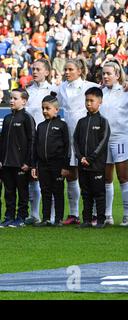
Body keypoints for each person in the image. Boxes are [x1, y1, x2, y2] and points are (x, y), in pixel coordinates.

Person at [57, 58, 99, 225]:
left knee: (89, 175)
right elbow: (56, 104)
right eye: (65, 69)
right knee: (70, 175)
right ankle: (74, 214)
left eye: (70, 69)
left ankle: (95, 213)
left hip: (86, 136)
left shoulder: (90, 87)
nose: (66, 72)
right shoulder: (61, 87)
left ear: (80, 71)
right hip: (68, 136)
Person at [100, 61, 128, 227]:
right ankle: (107, 215)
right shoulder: (100, 92)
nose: (106, 76)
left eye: (109, 73)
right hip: (103, 139)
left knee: (123, 177)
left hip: (121, 137)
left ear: (118, 75)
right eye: (104, 74)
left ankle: (127, 216)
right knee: (106, 178)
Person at [24, 59, 57, 225]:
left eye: (38, 69)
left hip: (49, 139)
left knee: (49, 178)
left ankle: (50, 215)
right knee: (33, 177)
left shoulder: (54, 90)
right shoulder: (28, 91)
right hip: (32, 139)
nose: (34, 72)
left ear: (47, 72)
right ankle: (34, 214)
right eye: (33, 69)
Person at [73, 87, 110, 229]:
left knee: (99, 194)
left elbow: (103, 142)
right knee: (86, 193)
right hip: (82, 165)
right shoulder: (81, 122)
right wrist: (80, 157)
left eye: (91, 100)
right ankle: (87, 220)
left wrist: (91, 158)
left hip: (96, 165)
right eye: (86, 100)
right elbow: (75, 141)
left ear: (99, 101)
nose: (88, 103)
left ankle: (101, 221)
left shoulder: (103, 121)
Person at [31, 94, 70, 227]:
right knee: (45, 191)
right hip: (42, 165)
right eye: (43, 108)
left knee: (58, 192)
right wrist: (34, 166)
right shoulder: (40, 126)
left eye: (47, 108)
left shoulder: (62, 126)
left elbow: (67, 147)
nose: (44, 111)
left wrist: (65, 166)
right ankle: (46, 218)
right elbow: (36, 147)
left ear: (56, 110)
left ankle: (58, 219)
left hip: (57, 165)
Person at [0, 89, 35, 228]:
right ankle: (8, 217)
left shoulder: (27, 118)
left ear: (24, 101)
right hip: (7, 163)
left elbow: (32, 141)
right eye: (11, 98)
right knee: (9, 192)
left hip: (21, 164)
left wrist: (28, 162)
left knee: (22, 192)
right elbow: (2, 141)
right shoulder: (8, 118)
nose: (11, 101)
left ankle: (21, 217)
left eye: (15, 98)